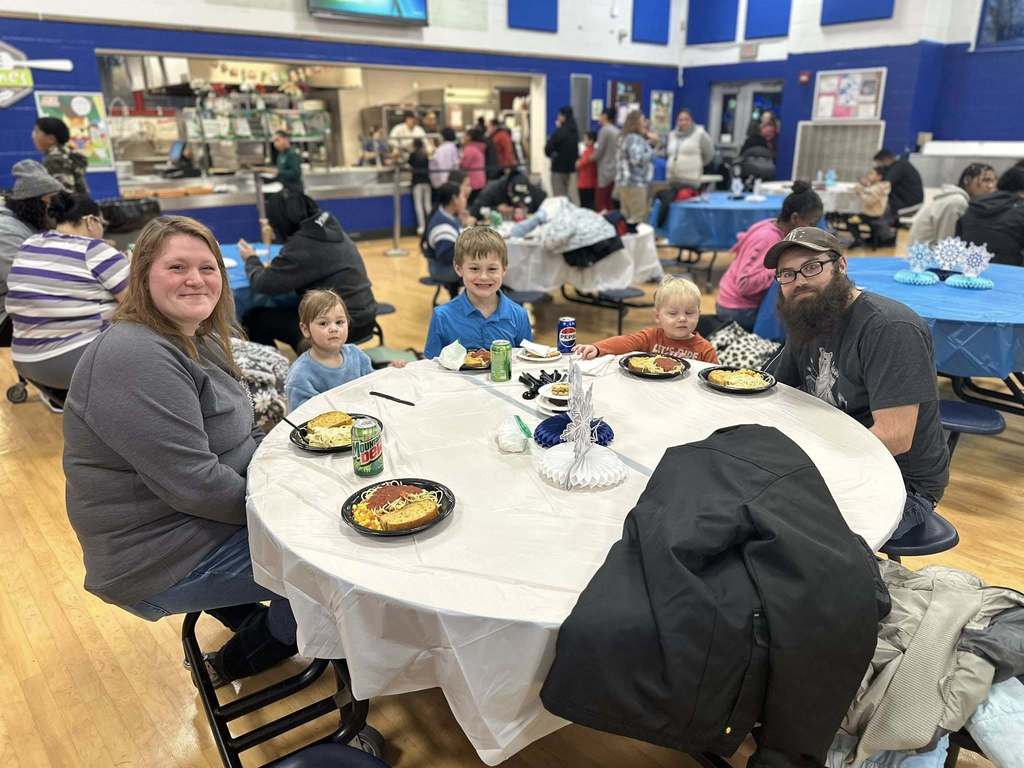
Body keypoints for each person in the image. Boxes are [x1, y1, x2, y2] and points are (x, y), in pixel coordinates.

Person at [63, 215, 301, 687]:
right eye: (177, 267)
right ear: (143, 275)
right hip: (158, 555)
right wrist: (293, 515)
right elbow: (195, 485)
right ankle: (233, 664)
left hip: (191, 525)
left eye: (207, 267)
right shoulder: (135, 356)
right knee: (327, 576)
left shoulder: (193, 337)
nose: (195, 279)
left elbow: (238, 438)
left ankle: (260, 625)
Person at [763, 227, 949, 539]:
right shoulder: (809, 316)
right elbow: (773, 392)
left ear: (841, 266)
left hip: (899, 481)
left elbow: (895, 437)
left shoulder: (890, 328)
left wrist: (804, 461)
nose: (799, 281)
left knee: (783, 531)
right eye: (787, 274)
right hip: (837, 458)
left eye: (811, 267)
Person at [7, 192, 128, 395]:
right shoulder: (94, 250)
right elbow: (137, 304)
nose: (102, 230)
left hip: (24, 359)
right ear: (90, 221)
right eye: (101, 223)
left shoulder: (31, 243)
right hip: (72, 360)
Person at [238, 193, 377, 352]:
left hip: (346, 325)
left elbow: (263, 283)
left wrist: (251, 259)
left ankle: (275, 369)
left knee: (254, 318)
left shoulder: (305, 244)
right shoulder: (328, 228)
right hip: (365, 316)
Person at [716, 181, 824, 331]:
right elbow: (744, 284)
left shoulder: (769, 224)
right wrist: (783, 270)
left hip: (734, 304)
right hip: (737, 310)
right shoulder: (768, 238)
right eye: (812, 224)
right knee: (798, 322)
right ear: (795, 218)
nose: (814, 229)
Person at [422, 226, 532, 358]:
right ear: (458, 268)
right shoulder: (442, 317)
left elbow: (526, 363)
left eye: (492, 269)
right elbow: (429, 368)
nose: (484, 277)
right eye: (474, 268)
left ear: (503, 269)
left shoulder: (519, 315)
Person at [574, 275, 718, 362]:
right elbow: (624, 342)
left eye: (689, 313)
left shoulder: (705, 350)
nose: (682, 318)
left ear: (698, 314)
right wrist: (597, 348)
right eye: (673, 313)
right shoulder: (650, 337)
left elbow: (713, 379)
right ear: (657, 316)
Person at [0, 160, 64, 342]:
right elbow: (28, 286)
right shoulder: (6, 231)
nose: (55, 212)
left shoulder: (29, 222)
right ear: (41, 202)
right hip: (5, 315)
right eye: (52, 203)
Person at [284, 289, 374, 412]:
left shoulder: (356, 355)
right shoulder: (300, 375)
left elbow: (374, 387)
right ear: (305, 329)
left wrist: (392, 369)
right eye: (323, 323)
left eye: (339, 322)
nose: (333, 328)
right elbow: (300, 419)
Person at [910, 162, 996, 245]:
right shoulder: (957, 202)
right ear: (967, 181)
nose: (991, 186)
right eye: (986, 180)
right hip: (926, 257)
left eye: (993, 181)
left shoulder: (958, 200)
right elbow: (946, 244)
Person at [957, 164, 1024, 266]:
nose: (990, 185)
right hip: (1008, 273)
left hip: (969, 272)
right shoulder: (1019, 209)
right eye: (985, 180)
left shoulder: (972, 206)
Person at [421, 181, 465, 294]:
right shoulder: (443, 226)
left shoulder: (447, 215)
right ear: (454, 199)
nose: (464, 200)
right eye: (462, 196)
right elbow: (447, 257)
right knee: (486, 272)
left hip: (446, 265)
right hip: (443, 269)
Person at [33, 116, 90, 196]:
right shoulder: (66, 154)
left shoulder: (54, 160)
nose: (33, 136)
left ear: (51, 139)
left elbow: (64, 194)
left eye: (36, 132)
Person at [615, 110, 654, 225]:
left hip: (624, 184)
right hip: (636, 184)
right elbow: (637, 160)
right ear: (636, 123)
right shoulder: (635, 139)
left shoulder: (624, 138)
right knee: (637, 219)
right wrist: (651, 150)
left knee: (626, 218)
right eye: (643, 120)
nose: (645, 123)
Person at [468, 170, 546, 220]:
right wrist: (496, 209)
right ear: (509, 190)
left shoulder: (535, 192)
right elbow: (475, 210)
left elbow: (547, 209)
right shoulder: (493, 190)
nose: (519, 203)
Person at [664, 109, 713, 187]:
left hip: (691, 180)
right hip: (672, 179)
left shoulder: (700, 134)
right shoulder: (671, 135)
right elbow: (667, 154)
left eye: (686, 119)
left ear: (691, 120)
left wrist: (697, 164)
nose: (683, 122)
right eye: (680, 120)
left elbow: (709, 154)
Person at [873, 149, 923, 224]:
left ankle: (884, 232)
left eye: (879, 163)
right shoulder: (898, 165)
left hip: (909, 202)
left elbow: (886, 184)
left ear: (886, 159)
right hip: (904, 199)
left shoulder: (900, 166)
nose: (879, 166)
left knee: (880, 209)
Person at [545, 106, 580, 200]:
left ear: (564, 116)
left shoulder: (559, 132)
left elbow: (548, 149)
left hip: (558, 169)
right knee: (572, 197)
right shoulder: (575, 131)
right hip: (572, 170)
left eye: (559, 115)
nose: (558, 117)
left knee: (559, 198)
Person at [853, 167, 894, 245]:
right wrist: (862, 187)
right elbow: (868, 190)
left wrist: (860, 192)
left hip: (871, 215)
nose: (868, 175)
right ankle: (860, 239)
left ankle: (858, 240)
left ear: (879, 177)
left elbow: (869, 201)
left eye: (871, 174)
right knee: (852, 216)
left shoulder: (878, 187)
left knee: (850, 220)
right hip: (872, 213)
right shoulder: (879, 185)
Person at [593, 107, 620, 212]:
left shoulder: (604, 130)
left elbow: (599, 152)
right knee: (610, 202)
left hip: (605, 170)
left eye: (600, 115)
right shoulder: (617, 131)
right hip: (615, 170)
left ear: (605, 116)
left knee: (602, 203)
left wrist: (588, 158)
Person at [460, 128, 488, 207]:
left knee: (469, 204)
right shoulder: (479, 148)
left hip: (472, 181)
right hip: (481, 179)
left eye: (465, 136)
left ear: (469, 137)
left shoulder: (470, 149)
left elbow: (464, 165)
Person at [409, 137, 432, 235]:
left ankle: (422, 227)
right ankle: (431, 225)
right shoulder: (425, 154)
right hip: (427, 181)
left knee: (419, 206)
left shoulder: (413, 155)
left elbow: (409, 165)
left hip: (417, 182)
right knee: (428, 205)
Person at [576, 131, 598, 210]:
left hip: (584, 183)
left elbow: (578, 164)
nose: (584, 141)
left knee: (585, 205)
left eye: (585, 139)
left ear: (591, 141)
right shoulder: (595, 151)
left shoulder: (588, 152)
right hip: (592, 183)